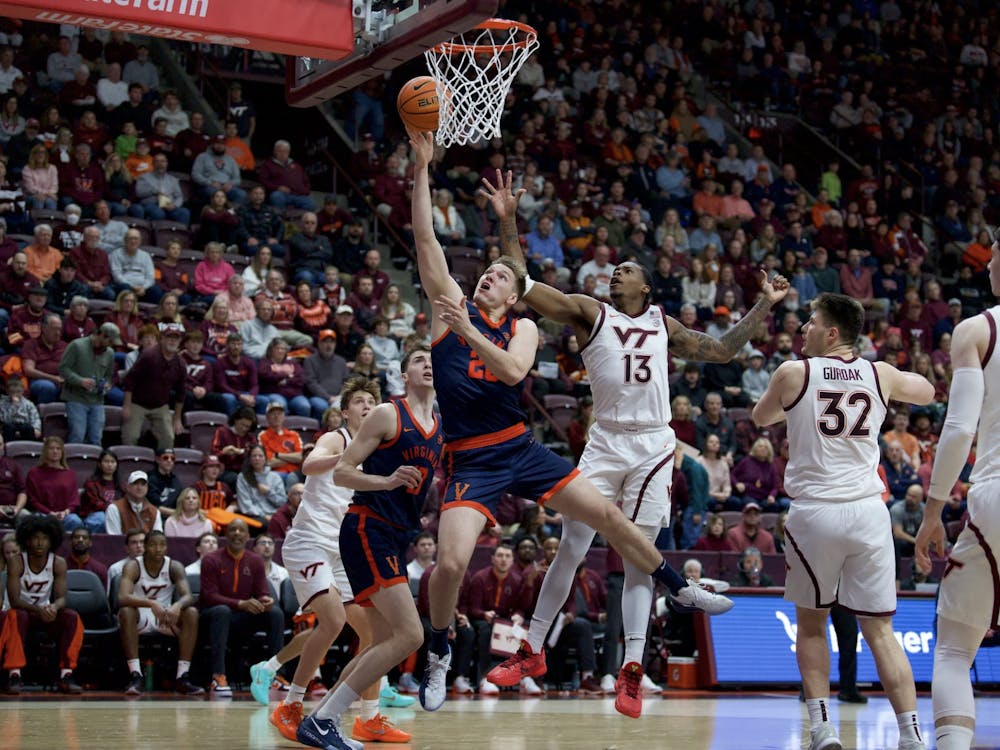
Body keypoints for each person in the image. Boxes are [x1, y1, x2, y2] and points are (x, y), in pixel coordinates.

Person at [403, 132, 737, 718]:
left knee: (607, 519)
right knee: (451, 564)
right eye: (485, 273)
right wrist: (423, 166)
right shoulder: (448, 306)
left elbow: (509, 371)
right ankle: (438, 648)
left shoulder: (523, 329)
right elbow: (426, 236)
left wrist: (468, 328)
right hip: (472, 457)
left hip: (521, 448)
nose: (489, 277)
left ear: (514, 294)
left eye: (500, 277)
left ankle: (675, 586)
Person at [473, 165, 787, 718]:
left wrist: (764, 304)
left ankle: (632, 669)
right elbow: (520, 280)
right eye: (612, 269)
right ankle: (533, 650)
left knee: (638, 561)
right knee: (570, 545)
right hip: (605, 444)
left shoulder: (665, 324)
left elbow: (723, 351)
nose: (616, 273)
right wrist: (508, 220)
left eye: (627, 269)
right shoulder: (589, 312)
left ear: (646, 286)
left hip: (652, 446)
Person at [753, 292, 933, 750]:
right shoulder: (879, 373)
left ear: (831, 332)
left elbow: (761, 417)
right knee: (881, 631)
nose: (803, 330)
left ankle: (822, 729)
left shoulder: (794, 372)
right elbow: (929, 392)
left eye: (811, 323)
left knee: (812, 624)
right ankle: (911, 735)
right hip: (870, 513)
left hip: (816, 512)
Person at [296, 346, 439, 749]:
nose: (428, 364)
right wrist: (387, 481)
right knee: (410, 634)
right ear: (403, 374)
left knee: (380, 642)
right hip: (366, 527)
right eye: (418, 360)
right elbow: (341, 473)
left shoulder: (439, 426)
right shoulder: (387, 414)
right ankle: (323, 718)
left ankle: (326, 718)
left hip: (395, 533)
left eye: (432, 359)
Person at [254, 377, 406, 743]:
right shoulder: (337, 437)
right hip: (310, 542)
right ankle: (290, 704)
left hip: (345, 548)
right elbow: (309, 465)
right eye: (359, 401)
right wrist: (349, 459)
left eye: (373, 400)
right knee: (334, 621)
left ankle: (369, 718)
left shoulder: (379, 453)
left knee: (375, 634)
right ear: (345, 411)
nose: (368, 405)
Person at [914, 241, 1000, 750]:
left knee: (951, 650)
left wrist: (932, 511)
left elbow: (960, 427)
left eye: (994, 254)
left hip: (995, 496)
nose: (987, 263)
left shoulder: (976, 330)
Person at [198, 518, 284, 695]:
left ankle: (274, 675)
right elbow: (209, 596)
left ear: (247, 536)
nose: (237, 533)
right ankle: (218, 676)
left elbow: (261, 591)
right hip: (213, 616)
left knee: (275, 613)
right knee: (222, 611)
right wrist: (240, 603)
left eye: (241, 530)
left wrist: (265, 600)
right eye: (232, 530)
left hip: (243, 616)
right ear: (226, 535)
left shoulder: (255, 561)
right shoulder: (211, 559)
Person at [2, 514, 84, 694]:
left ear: (51, 540)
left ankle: (66, 674)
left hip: (44, 614)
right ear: (27, 540)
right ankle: (14, 674)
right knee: (17, 616)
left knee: (71, 617)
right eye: (35, 538)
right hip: (20, 613)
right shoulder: (16, 562)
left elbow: (62, 597)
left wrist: (54, 607)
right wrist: (39, 609)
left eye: (44, 538)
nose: (40, 543)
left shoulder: (58, 562)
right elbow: (15, 600)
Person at [118, 530, 204, 695]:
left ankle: (182, 677)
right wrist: (150, 603)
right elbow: (122, 597)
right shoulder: (133, 566)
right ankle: (136, 675)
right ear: (145, 547)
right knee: (126, 611)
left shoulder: (174, 566)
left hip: (164, 617)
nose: (158, 549)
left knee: (191, 612)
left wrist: (177, 605)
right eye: (153, 544)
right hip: (140, 616)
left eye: (162, 544)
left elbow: (188, 596)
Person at [121, 321, 185, 450]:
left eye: (175, 339)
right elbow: (130, 380)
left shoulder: (180, 364)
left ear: (179, 342)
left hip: (160, 405)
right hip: (137, 402)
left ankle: (163, 466)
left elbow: (181, 393)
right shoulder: (149, 356)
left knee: (168, 438)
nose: (172, 341)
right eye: (169, 338)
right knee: (130, 437)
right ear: (162, 339)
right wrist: (127, 405)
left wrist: (177, 418)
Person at [106, 470, 164, 536]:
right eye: (135, 483)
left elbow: (157, 538)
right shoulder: (114, 508)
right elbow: (114, 539)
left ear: (147, 488)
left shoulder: (155, 511)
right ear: (128, 487)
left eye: (143, 484)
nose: (139, 488)